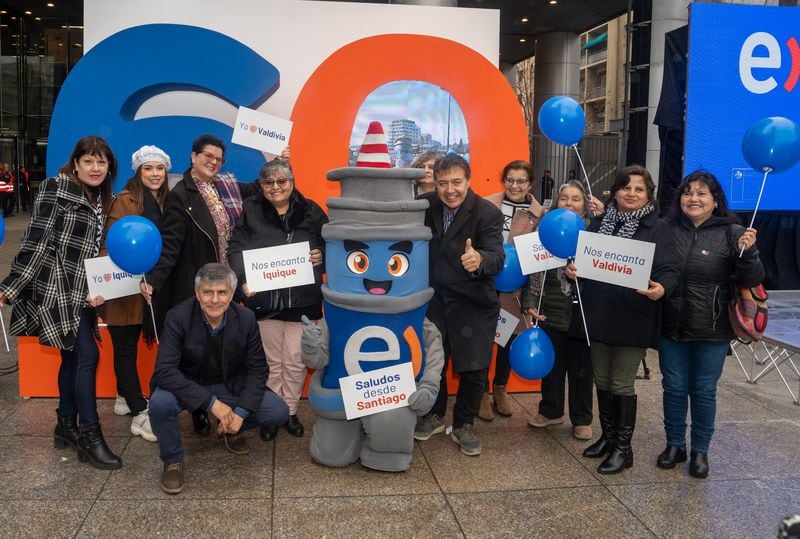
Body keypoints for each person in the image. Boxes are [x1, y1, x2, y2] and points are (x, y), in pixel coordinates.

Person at [0, 136, 122, 470]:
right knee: (88, 355)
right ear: (76, 163)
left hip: (83, 290)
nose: (96, 168)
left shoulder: (99, 196)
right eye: (89, 161)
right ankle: (89, 433)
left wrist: (98, 286)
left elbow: (93, 251)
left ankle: (65, 424)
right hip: (57, 287)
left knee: (71, 358)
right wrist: (8, 288)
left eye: (102, 162)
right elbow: (35, 243)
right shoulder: (56, 188)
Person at [567, 164, 679, 475]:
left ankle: (623, 448)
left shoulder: (658, 229)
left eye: (638, 189)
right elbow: (580, 259)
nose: (631, 193)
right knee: (601, 379)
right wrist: (572, 269)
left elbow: (669, 269)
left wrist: (663, 288)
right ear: (615, 190)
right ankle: (609, 437)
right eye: (625, 187)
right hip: (597, 314)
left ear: (648, 195)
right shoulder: (600, 222)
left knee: (620, 381)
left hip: (633, 316)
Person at [142, 134, 254, 436]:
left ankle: (224, 406)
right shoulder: (182, 195)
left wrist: (282, 160)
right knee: (197, 354)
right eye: (208, 156)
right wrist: (154, 280)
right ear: (193, 157)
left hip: (226, 285)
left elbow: (259, 189)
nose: (213, 162)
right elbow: (170, 245)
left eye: (218, 158)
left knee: (223, 352)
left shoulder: (225, 187)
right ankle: (200, 409)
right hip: (199, 286)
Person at [148, 263, 289, 494]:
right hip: (188, 383)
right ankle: (172, 459)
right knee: (160, 403)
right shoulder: (177, 316)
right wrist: (212, 404)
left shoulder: (246, 318)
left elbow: (257, 369)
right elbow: (164, 370)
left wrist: (241, 412)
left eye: (222, 292)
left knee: (278, 412)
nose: (214, 300)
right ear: (197, 293)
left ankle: (233, 428)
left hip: (229, 384)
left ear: (231, 294)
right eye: (207, 292)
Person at [658, 171, 764, 478]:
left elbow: (754, 279)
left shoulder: (733, 233)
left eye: (702, 193)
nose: (693, 198)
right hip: (671, 324)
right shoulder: (667, 229)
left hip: (713, 329)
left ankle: (700, 451)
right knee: (674, 388)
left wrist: (749, 252)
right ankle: (675, 445)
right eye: (688, 192)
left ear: (715, 201)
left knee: (703, 391)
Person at [229, 159, 328, 441]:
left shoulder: (310, 210)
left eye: (281, 181)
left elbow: (332, 242)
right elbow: (236, 247)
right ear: (261, 186)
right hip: (264, 302)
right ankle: (272, 414)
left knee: (296, 361)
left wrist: (320, 254)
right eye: (268, 182)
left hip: (304, 301)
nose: (275, 187)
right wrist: (242, 280)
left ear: (292, 182)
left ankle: (291, 411)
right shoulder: (250, 210)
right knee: (271, 362)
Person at [414, 154, 505, 456]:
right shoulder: (425, 206)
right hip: (436, 302)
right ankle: (434, 416)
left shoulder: (487, 213)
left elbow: (497, 255)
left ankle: (464, 424)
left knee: (474, 369)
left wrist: (479, 260)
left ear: (468, 180)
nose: (449, 190)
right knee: (434, 364)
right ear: (435, 183)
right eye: (443, 183)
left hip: (474, 303)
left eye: (456, 182)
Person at [99, 145, 172, 443]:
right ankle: (140, 412)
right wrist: (106, 284)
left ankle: (121, 395)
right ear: (138, 172)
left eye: (159, 168)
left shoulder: (170, 200)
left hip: (153, 286)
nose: (154, 174)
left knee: (129, 349)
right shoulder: (125, 201)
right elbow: (111, 243)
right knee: (126, 350)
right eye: (148, 169)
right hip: (124, 290)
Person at [523, 181, 603, 440]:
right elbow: (527, 272)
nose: (569, 203)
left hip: (582, 314)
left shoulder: (595, 234)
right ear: (557, 201)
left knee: (582, 370)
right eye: (564, 198)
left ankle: (582, 418)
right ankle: (550, 411)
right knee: (552, 367)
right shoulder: (542, 229)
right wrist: (529, 303)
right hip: (550, 311)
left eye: (576, 199)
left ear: (585, 205)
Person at [479, 160, 544, 420]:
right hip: (484, 281)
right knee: (483, 338)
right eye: (510, 180)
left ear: (530, 184)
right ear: (503, 180)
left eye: (520, 181)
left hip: (516, 287)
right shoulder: (486, 205)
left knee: (508, 338)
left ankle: (500, 389)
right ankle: (482, 393)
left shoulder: (539, 214)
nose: (514, 186)